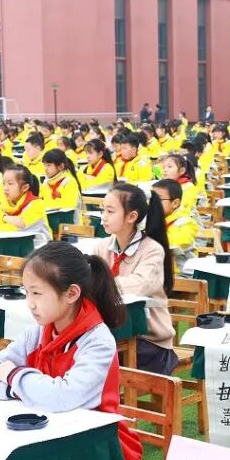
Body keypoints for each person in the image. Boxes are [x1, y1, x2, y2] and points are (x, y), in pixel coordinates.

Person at [0, 242, 142, 460]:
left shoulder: (97, 341)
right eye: (26, 293)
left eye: (37, 293)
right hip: (55, 447)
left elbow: (63, 397)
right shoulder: (39, 331)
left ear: (71, 293)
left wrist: (16, 377)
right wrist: (21, 390)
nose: (30, 304)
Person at [94, 184, 178, 374]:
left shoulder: (152, 250)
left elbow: (138, 285)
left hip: (149, 342)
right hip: (112, 335)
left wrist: (98, 285)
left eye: (110, 211)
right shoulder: (102, 247)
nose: (103, 216)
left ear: (132, 217)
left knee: (92, 357)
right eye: (103, 210)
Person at [0, 166, 52, 247]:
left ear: (25, 188)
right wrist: (5, 218)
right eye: (4, 183)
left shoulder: (36, 205)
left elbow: (14, 231)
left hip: (39, 252)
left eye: (10, 184)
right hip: (14, 247)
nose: (5, 188)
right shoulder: (6, 204)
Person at [149, 179, 198, 270]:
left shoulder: (187, 223)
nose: (153, 203)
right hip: (157, 273)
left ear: (175, 203)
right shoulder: (153, 219)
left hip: (182, 276)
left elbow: (173, 244)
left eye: (158, 199)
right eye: (151, 199)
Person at [41, 149, 84, 216]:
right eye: (44, 165)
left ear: (61, 166)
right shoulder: (45, 182)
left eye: (49, 165)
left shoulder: (69, 182)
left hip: (69, 223)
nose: (45, 169)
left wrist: (43, 204)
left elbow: (68, 206)